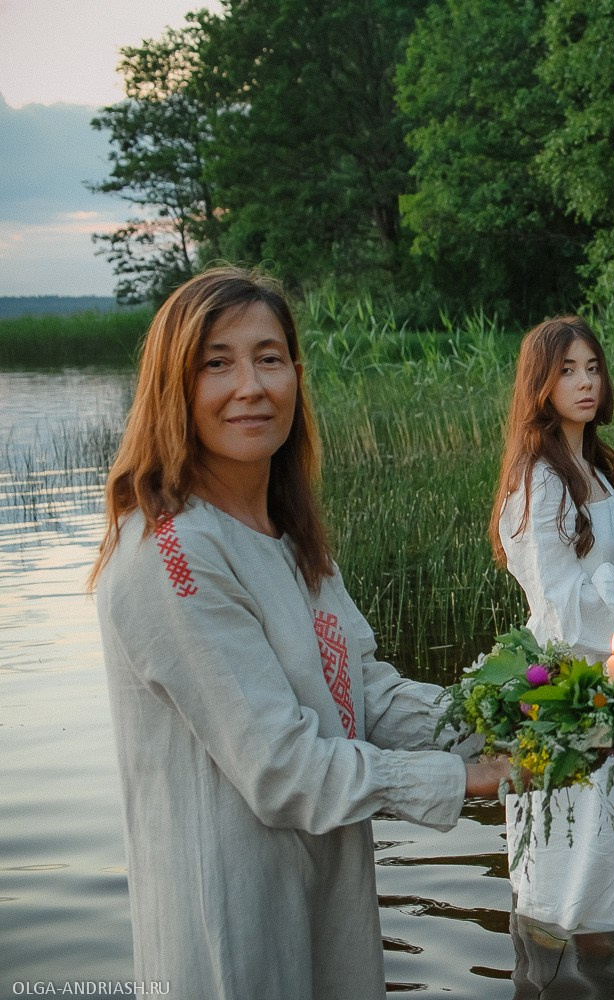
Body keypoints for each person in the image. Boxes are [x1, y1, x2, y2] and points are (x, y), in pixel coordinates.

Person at [90, 266, 511, 1000]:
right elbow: (281, 768)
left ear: (295, 375)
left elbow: (364, 693)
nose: (250, 385)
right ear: (172, 388)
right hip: (232, 912)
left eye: (269, 357)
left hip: (325, 885)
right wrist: (462, 779)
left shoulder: (288, 535)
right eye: (215, 363)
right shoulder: (171, 552)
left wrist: (506, 715)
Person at [491, 315, 614, 935]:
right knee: (586, 842)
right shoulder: (539, 481)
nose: (585, 382)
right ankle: (574, 958)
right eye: (567, 370)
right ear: (539, 383)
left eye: (592, 368)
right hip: (574, 680)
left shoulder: (594, 468)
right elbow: (558, 605)